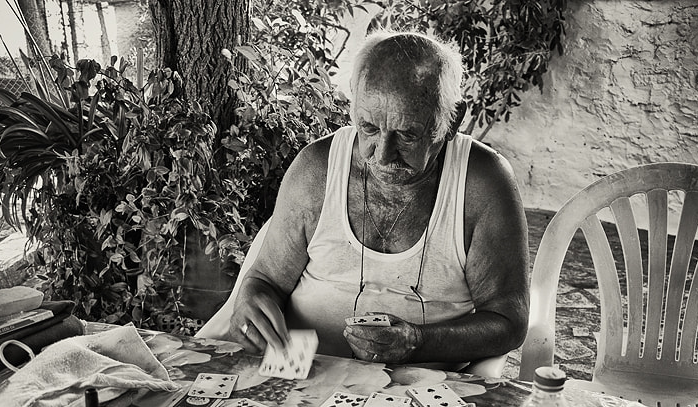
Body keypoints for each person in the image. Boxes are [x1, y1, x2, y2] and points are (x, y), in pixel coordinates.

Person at [197, 30, 529, 368]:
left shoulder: (482, 181)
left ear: (449, 124)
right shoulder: (317, 169)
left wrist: (417, 341)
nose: (383, 155)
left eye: (407, 134)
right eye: (368, 128)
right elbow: (264, 280)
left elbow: (508, 322)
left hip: (415, 384)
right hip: (304, 370)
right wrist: (251, 302)